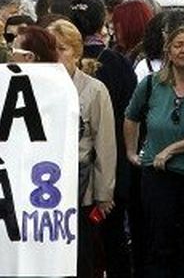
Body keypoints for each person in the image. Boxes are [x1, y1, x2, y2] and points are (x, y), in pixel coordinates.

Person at [124, 22, 184, 278]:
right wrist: (131, 152)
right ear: (168, 51)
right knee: (158, 244)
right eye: (178, 45)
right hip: (158, 174)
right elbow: (131, 117)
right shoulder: (151, 84)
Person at [48, 18, 116, 278]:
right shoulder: (35, 86)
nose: (56, 55)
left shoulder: (94, 89)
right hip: (43, 186)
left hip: (81, 186)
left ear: (76, 53)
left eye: (62, 48)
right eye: (51, 49)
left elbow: (105, 143)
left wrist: (104, 193)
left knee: (82, 256)